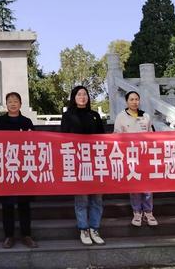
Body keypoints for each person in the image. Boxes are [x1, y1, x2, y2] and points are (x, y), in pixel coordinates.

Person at [0, 92, 38, 249]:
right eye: (10, 101)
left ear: (20, 104)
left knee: (24, 204)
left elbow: (35, 144)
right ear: (6, 104)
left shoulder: (26, 122)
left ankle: (27, 235)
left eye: (15, 101)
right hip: (6, 167)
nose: (12, 103)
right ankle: (9, 236)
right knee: (7, 205)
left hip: (24, 168)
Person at [60, 85, 105, 246]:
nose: (82, 97)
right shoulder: (67, 116)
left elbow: (102, 137)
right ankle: (83, 228)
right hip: (77, 162)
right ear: (73, 97)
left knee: (97, 198)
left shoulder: (94, 116)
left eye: (85, 94)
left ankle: (95, 228)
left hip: (96, 161)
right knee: (82, 198)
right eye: (79, 94)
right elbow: (63, 138)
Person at [114, 91, 158, 227]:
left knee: (148, 186)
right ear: (126, 101)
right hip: (130, 157)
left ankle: (148, 212)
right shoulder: (121, 117)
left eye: (137, 99)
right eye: (131, 99)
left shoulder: (145, 116)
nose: (134, 102)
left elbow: (152, 135)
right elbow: (116, 136)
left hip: (145, 156)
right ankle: (137, 212)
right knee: (134, 185)